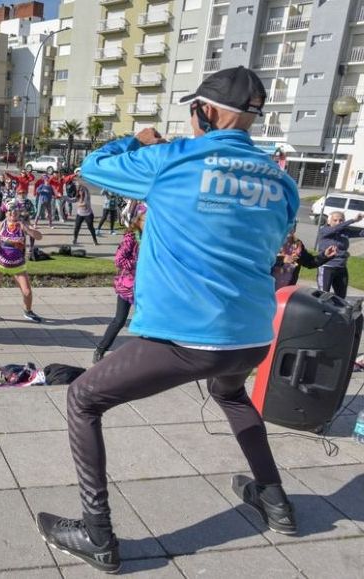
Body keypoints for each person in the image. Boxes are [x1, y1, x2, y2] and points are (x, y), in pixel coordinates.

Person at [36, 67, 300, 573]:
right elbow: (271, 241)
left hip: (186, 337)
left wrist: (135, 139)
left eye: (193, 110)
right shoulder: (281, 180)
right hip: (249, 334)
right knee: (230, 394)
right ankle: (276, 502)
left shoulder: (174, 158)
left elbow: (93, 165)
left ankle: (97, 535)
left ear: (207, 111)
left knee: (83, 398)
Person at [0, 198, 43, 324]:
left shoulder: (24, 224)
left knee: (27, 292)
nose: (12, 213)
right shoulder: (1, 224)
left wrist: (28, 230)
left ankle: (28, 311)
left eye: (15, 210)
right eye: (10, 210)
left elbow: (39, 236)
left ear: (19, 211)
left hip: (18, 265)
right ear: (6, 213)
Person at [92, 204, 146, 364]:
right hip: (127, 285)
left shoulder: (152, 238)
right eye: (145, 219)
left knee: (147, 320)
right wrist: (139, 262)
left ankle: (146, 355)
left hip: (145, 286)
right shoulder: (131, 237)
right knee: (119, 320)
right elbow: (119, 260)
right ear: (138, 220)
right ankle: (100, 349)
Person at [316, 211, 364, 298]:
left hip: (341, 267)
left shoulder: (344, 232)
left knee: (341, 297)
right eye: (335, 220)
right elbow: (335, 229)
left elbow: (360, 233)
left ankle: (337, 311)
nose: (338, 222)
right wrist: (353, 220)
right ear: (328, 221)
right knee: (323, 295)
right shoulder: (324, 230)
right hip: (327, 267)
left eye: (341, 220)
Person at [70, 170, 98, 246]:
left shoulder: (87, 196)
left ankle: (95, 240)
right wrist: (63, 197)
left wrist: (80, 180)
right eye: (79, 191)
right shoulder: (78, 195)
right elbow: (72, 200)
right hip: (80, 214)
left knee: (90, 227)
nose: (81, 192)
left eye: (82, 190)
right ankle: (75, 239)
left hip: (88, 214)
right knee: (77, 227)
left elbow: (85, 203)